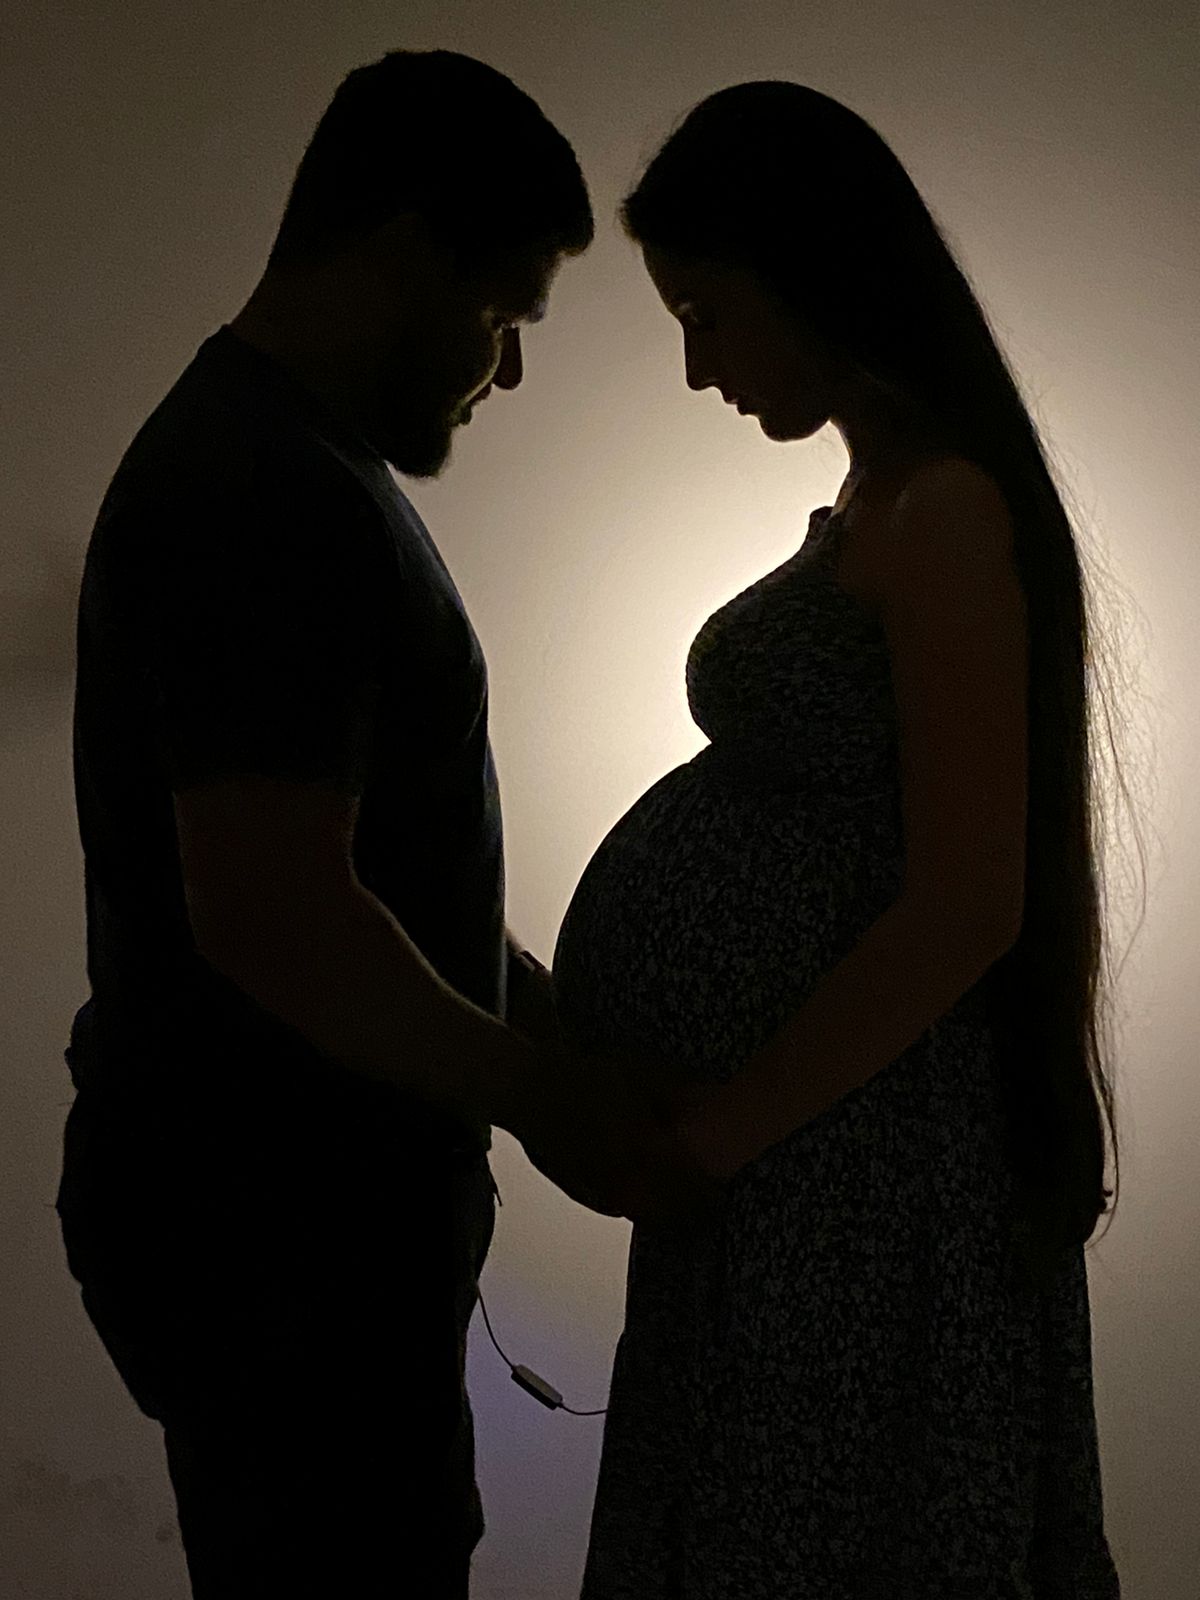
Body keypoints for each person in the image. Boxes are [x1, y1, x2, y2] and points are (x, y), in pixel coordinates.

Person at [55, 50, 720, 1600]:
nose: (504, 376)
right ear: (403, 252)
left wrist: (568, 1049)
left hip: (296, 1254)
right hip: (280, 1260)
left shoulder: (293, 478)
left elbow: (359, 883)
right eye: (503, 317)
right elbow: (279, 913)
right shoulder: (262, 498)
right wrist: (545, 1097)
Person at [550, 83, 1126, 1597]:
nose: (697, 366)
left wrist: (726, 1131)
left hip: (865, 1196)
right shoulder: (882, 498)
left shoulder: (946, 514)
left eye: (712, 313)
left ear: (810, 272)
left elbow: (965, 905)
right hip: (807, 1183)